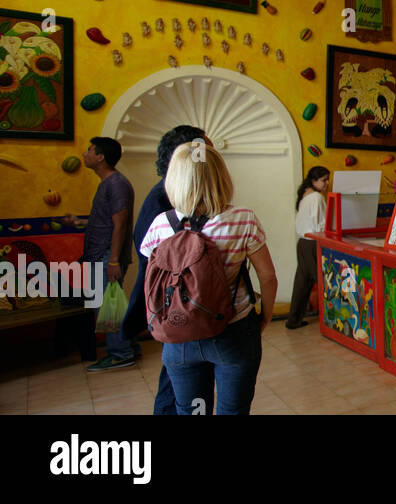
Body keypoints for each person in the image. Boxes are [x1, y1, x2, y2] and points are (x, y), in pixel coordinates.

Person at [139, 143, 276, 415]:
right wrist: (266, 315)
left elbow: (151, 281)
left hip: (179, 337)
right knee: (233, 410)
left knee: (191, 411)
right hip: (233, 331)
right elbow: (267, 275)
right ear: (221, 177)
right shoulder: (242, 219)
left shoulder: (159, 224)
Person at [120, 125, 207, 411]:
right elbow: (151, 255)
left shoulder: (176, 193)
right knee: (178, 382)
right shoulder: (163, 197)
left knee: (184, 379)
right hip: (174, 307)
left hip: (181, 306)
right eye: (204, 149)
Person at [82, 137, 136, 372]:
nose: (85, 154)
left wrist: (113, 260)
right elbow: (107, 219)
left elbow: (120, 223)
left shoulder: (115, 183)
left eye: (89, 150)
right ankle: (127, 346)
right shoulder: (108, 183)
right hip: (101, 254)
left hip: (107, 256)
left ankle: (121, 353)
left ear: (100, 156)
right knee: (107, 305)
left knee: (108, 307)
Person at [286, 166, 330, 330]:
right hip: (313, 243)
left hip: (303, 243)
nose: (326, 183)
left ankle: (293, 319)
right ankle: (332, 319)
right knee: (325, 280)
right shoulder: (317, 197)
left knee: (302, 283)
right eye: (324, 180)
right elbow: (323, 224)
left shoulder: (305, 196)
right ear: (314, 180)